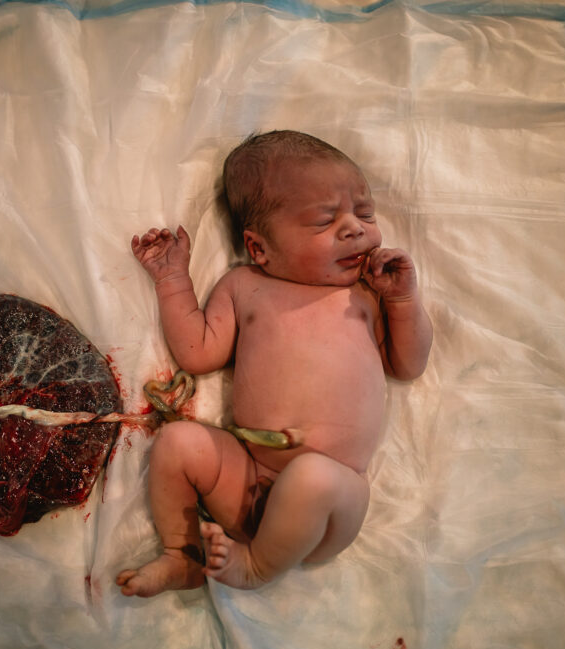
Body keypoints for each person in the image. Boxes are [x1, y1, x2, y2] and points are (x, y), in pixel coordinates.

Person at [116, 130, 432, 597]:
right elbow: (197, 352)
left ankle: (258, 568)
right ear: (260, 248)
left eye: (364, 213)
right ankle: (180, 555)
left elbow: (407, 365)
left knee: (309, 476)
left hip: (330, 501)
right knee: (179, 442)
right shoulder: (244, 286)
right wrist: (171, 278)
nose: (355, 228)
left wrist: (404, 299)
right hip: (248, 480)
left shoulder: (364, 293)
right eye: (326, 221)